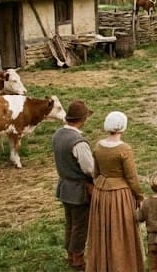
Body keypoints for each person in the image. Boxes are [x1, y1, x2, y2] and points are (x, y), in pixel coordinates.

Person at [86, 111, 145, 272]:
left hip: (101, 192)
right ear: (122, 127)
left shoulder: (99, 146)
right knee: (120, 230)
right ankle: (121, 265)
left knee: (103, 229)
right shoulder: (124, 149)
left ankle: (102, 264)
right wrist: (139, 196)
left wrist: (100, 186)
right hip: (119, 195)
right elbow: (132, 177)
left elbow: (96, 173)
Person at [53, 100, 95, 270]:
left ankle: (70, 254)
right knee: (80, 225)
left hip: (64, 186)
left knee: (70, 223)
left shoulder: (57, 134)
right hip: (79, 190)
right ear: (83, 118)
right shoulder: (79, 142)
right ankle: (77, 257)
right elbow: (89, 169)